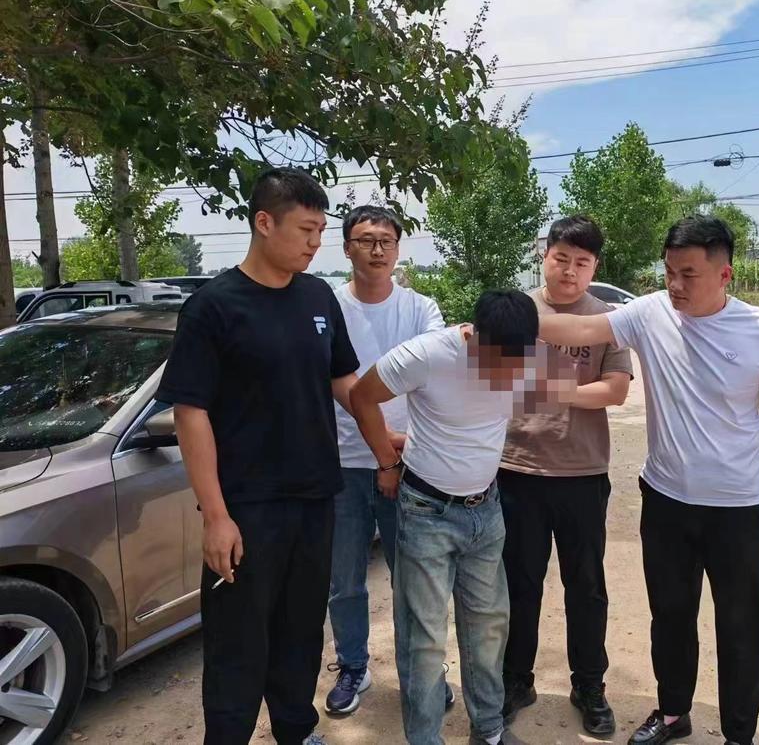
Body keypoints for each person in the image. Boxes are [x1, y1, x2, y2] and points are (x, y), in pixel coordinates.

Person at [539, 214, 759, 745]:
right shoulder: (650, 312)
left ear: (725, 275)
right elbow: (581, 329)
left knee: (741, 626)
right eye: (668, 272)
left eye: (689, 274)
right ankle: (672, 713)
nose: (675, 285)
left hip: (737, 506)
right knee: (670, 616)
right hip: (666, 499)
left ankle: (738, 734)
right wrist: (503, 320)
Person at [157, 168, 359, 745]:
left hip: (315, 498)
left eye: (320, 231)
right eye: (305, 230)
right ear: (264, 222)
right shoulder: (214, 306)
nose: (315, 243)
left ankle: (297, 730)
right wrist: (216, 516)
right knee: (238, 643)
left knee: (301, 632)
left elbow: (345, 382)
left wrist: (393, 430)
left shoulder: (318, 297)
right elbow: (190, 413)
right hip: (247, 508)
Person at [349, 291, 547, 745]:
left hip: (487, 511)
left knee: (488, 628)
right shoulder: (428, 354)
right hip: (427, 514)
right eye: (497, 363)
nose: (506, 376)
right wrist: (385, 460)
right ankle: (424, 738)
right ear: (474, 338)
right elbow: (362, 396)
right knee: (424, 639)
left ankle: (489, 730)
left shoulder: (528, 358)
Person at [498, 215, 633, 735]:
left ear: (594, 266)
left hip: (582, 473)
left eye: (582, 262)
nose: (570, 270)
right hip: (518, 470)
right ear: (545, 255)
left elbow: (615, 389)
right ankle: (516, 680)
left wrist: (553, 390)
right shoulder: (517, 313)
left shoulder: (608, 319)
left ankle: (589, 685)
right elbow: (492, 376)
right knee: (519, 585)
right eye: (561, 259)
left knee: (586, 587)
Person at [325, 205, 445, 715]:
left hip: (411, 463)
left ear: (398, 249)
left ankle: (421, 673)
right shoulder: (328, 308)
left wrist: (395, 451)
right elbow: (334, 381)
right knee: (344, 581)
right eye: (365, 240)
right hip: (343, 464)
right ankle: (353, 666)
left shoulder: (420, 309)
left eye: (386, 241)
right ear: (346, 248)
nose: (377, 250)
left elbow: (434, 372)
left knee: (413, 580)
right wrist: (381, 447)